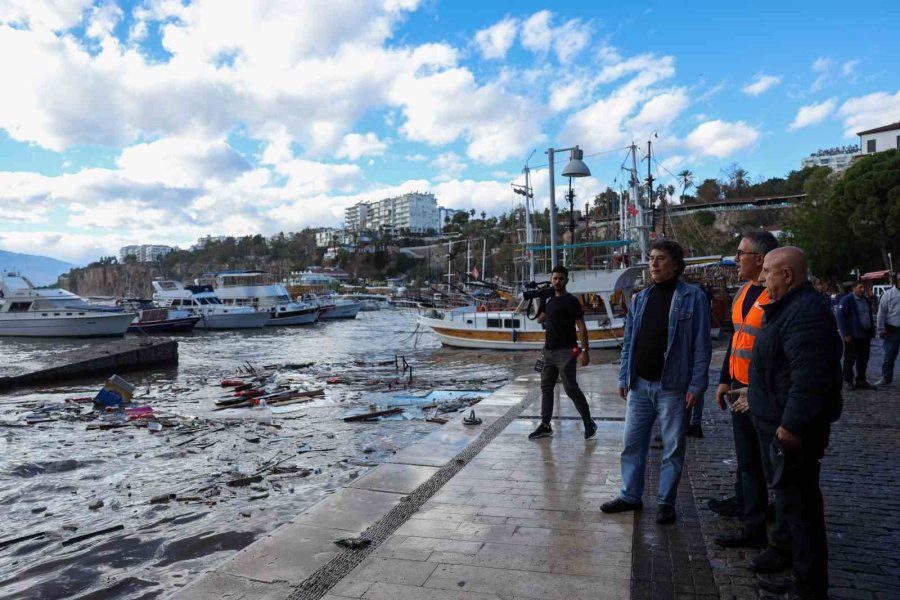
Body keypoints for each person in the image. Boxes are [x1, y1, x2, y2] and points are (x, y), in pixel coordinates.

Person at [749, 247, 843, 600]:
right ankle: (798, 572)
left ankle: (809, 588)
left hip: (791, 432)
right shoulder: (791, 308)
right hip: (776, 421)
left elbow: (810, 378)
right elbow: (781, 366)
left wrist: (792, 425)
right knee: (791, 507)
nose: (762, 278)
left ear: (786, 275)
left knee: (802, 512)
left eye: (768, 272)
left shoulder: (805, 313)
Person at [601, 240, 711, 524]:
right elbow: (629, 342)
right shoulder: (640, 298)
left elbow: (702, 345)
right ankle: (630, 495)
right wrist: (624, 375)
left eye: (661, 259)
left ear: (675, 264)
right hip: (640, 384)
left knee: (673, 448)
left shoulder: (692, 297)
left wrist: (697, 386)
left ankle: (665, 501)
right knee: (632, 444)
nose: (654, 264)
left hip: (673, 386)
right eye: (651, 258)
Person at [711, 231, 791, 569]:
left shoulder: (775, 297)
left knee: (775, 468)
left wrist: (759, 394)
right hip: (739, 390)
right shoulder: (743, 292)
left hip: (765, 397)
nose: (736, 258)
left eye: (740, 253)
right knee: (747, 464)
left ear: (759, 259)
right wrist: (724, 380)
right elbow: (737, 338)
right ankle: (752, 526)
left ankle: (785, 542)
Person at [527, 265, 597, 441]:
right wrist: (541, 298)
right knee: (546, 388)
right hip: (548, 352)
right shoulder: (550, 301)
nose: (557, 281)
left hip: (567, 351)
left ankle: (589, 422)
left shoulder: (571, 301)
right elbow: (540, 319)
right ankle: (545, 425)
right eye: (555, 278)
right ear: (551, 279)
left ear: (566, 280)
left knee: (571, 389)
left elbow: (581, 326)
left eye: (561, 278)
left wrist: (584, 351)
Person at [837, 281, 876, 390]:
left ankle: (861, 380)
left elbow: (869, 314)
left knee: (863, 358)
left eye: (864, 287)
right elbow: (840, 317)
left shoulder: (865, 300)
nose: (863, 290)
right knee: (850, 359)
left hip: (865, 334)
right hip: (852, 336)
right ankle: (849, 380)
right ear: (854, 289)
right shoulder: (847, 300)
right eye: (860, 287)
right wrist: (845, 333)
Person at [876, 273, 900, 386]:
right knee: (889, 355)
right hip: (892, 329)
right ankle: (886, 378)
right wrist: (880, 329)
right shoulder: (888, 294)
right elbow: (881, 312)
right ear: (897, 280)